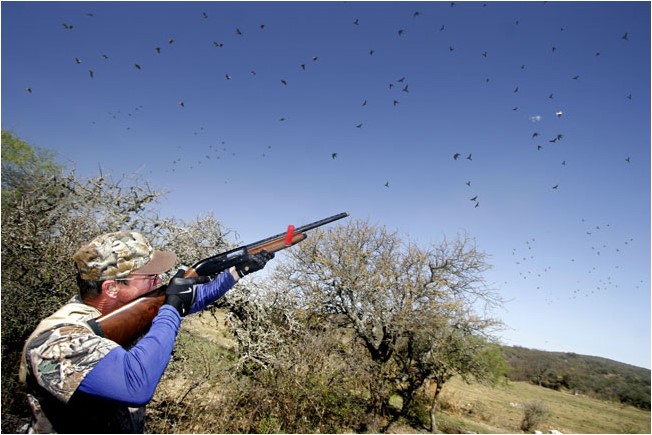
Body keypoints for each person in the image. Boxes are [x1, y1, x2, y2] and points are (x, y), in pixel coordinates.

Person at [19, 231, 273, 433]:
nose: (160, 281)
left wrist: (238, 270)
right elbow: (135, 384)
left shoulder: (125, 314)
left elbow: (196, 297)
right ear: (112, 288)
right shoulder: (56, 341)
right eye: (150, 277)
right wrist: (171, 309)